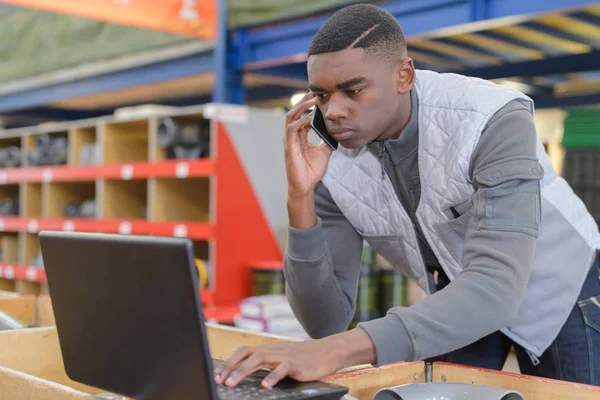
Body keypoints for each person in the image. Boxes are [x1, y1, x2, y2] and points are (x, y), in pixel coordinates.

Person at [214, 4, 600, 388]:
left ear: (403, 75)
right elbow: (324, 321)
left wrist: (336, 351)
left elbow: (494, 288)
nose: (333, 111)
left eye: (353, 90)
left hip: (562, 289)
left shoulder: (491, 120)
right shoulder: (331, 162)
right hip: (458, 294)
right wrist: (301, 198)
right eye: (322, 95)